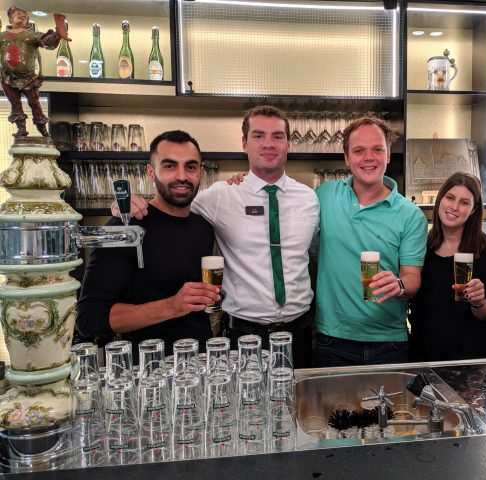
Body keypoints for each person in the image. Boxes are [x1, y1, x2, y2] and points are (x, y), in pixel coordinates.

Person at [117, 106, 319, 368]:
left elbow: (314, 251)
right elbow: (170, 202)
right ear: (244, 143)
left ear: (288, 144)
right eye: (258, 136)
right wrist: (124, 204)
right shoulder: (220, 196)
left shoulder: (309, 198)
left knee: (298, 394)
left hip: (300, 332)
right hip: (243, 335)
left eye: (277, 136)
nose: (269, 144)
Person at [76, 130, 219, 358]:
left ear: (200, 173)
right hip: (145, 369)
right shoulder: (124, 228)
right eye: (170, 166)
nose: (182, 176)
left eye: (190, 167)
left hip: (200, 363)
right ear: (151, 172)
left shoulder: (204, 226)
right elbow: (89, 318)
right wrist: (171, 306)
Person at [313, 116, 428, 367]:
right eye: (359, 151)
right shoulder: (325, 196)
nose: (368, 157)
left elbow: (412, 277)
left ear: (388, 155)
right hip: (332, 340)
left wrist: (398, 284)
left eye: (377, 149)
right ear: (346, 158)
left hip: (388, 344)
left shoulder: (410, 215)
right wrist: (243, 181)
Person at [408, 172, 486, 362]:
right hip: (426, 358)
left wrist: (478, 301)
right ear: (440, 199)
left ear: (473, 210)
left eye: (464, 202)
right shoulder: (421, 248)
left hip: (474, 362)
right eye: (450, 198)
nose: (454, 207)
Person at [0, 6, 69, 137]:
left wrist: (57, 34)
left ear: (27, 21)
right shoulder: (2, 36)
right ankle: (21, 129)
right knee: (15, 103)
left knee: (34, 103)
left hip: (28, 78)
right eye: (17, 14)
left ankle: (43, 130)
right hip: (7, 77)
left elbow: (47, 42)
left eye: (24, 15)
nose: (21, 16)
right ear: (10, 19)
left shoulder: (32, 35)